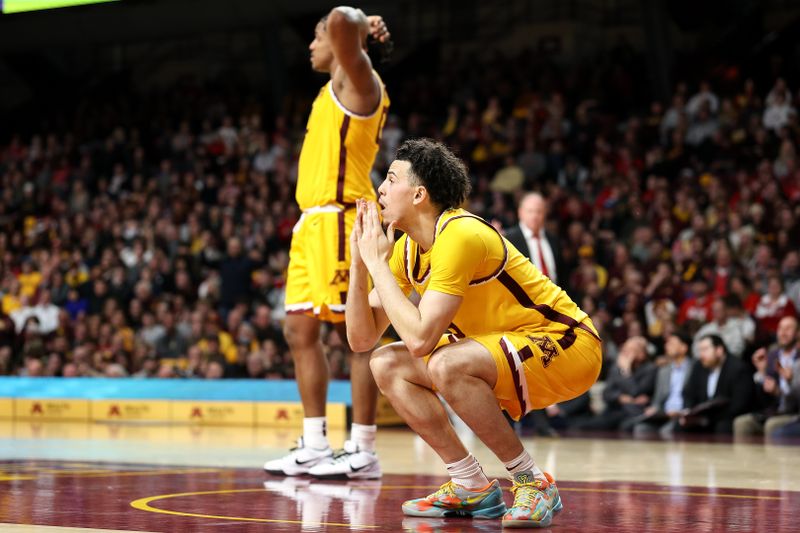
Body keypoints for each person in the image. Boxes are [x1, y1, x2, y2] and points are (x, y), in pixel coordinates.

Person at [347, 139, 602, 527]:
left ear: (419, 195)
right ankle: (470, 484)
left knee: (446, 363)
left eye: (390, 178)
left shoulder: (460, 234)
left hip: (567, 344)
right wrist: (360, 264)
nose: (380, 187)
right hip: (498, 351)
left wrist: (378, 264)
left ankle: (532, 482)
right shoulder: (407, 250)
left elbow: (420, 340)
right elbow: (362, 340)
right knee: (386, 363)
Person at [263, 6, 392, 480]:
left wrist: (362, 20)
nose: (311, 45)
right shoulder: (326, 91)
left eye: (316, 37)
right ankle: (315, 443)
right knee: (298, 330)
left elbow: (340, 17)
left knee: (354, 337)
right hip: (312, 226)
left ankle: (363, 448)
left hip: (342, 223)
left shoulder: (359, 83)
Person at [733, 316, 799, 438]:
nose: (783, 333)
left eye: (788, 329)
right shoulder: (772, 355)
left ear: (797, 333)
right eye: (780, 328)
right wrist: (762, 373)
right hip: (773, 411)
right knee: (742, 423)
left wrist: (788, 383)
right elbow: (763, 400)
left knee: (772, 425)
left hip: (794, 412)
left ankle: (772, 458)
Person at [681, 335, 753, 434]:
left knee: (722, 426)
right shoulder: (699, 366)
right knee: (681, 425)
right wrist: (688, 413)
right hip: (703, 417)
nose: (701, 355)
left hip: (727, 417)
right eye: (700, 351)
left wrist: (709, 419)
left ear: (719, 350)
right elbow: (688, 393)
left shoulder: (738, 368)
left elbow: (740, 405)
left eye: (705, 350)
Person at [632, 331, 692, 437]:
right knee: (641, 428)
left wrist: (682, 412)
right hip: (663, 414)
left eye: (672, 343)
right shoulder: (663, 371)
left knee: (666, 431)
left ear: (684, 348)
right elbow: (657, 399)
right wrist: (653, 408)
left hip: (682, 415)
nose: (667, 346)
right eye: (667, 343)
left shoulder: (694, 369)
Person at [503, 192, 563, 285]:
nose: (534, 216)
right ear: (520, 212)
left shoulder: (554, 240)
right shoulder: (508, 239)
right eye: (530, 211)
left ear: (545, 213)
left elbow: (562, 275)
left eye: (539, 211)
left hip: (553, 296)